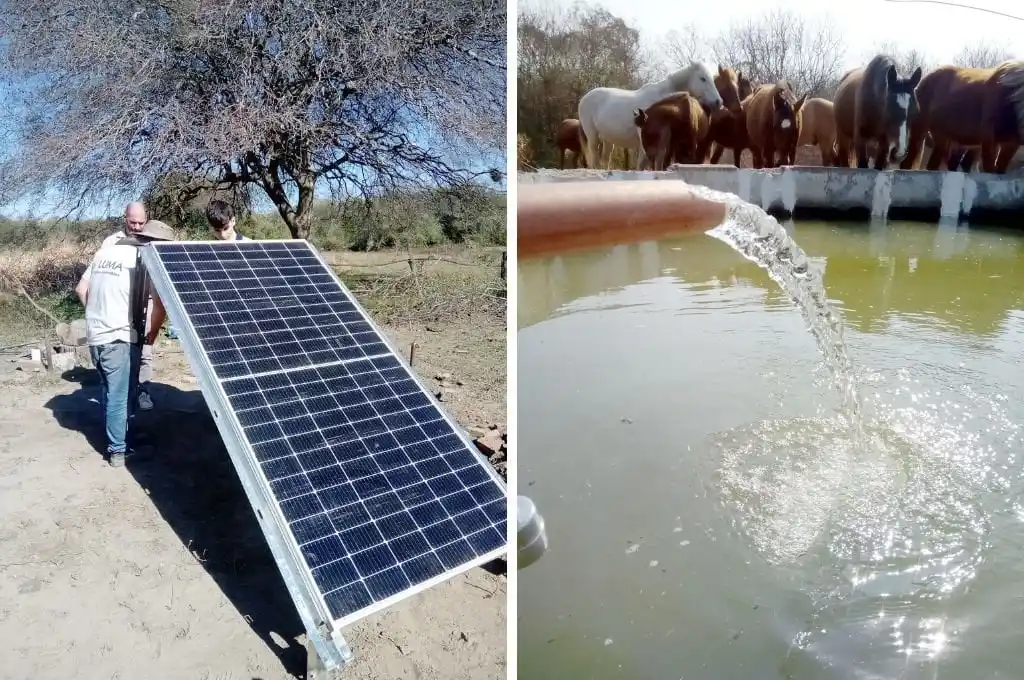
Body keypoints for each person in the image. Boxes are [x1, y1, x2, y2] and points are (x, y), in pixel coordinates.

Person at [75, 220, 175, 467]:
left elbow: (81, 289)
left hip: (96, 336)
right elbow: (159, 305)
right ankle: (118, 450)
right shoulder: (143, 259)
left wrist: (98, 317)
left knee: (110, 391)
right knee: (119, 396)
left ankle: (119, 436)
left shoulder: (105, 252)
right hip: (119, 337)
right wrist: (151, 336)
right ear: (154, 243)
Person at [99, 202, 159, 411]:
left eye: (141, 222)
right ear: (125, 218)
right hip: (121, 305)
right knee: (124, 351)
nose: (136, 226)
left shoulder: (151, 241)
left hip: (146, 302)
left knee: (145, 352)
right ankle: (122, 395)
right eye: (133, 222)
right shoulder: (111, 242)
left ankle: (143, 391)